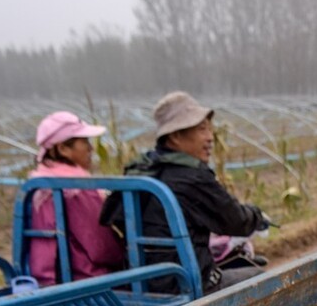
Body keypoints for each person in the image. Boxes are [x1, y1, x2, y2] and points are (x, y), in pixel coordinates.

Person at [101, 91, 269, 294]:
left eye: (209, 129)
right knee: (260, 279)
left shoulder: (141, 169)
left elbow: (116, 219)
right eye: (201, 129)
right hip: (183, 284)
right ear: (176, 136)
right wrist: (256, 215)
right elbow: (236, 221)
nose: (210, 138)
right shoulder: (193, 177)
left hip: (141, 281)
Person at [27, 112, 125, 286]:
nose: (90, 149)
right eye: (84, 142)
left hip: (47, 281)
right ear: (63, 149)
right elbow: (102, 247)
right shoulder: (79, 189)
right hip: (88, 280)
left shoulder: (36, 187)